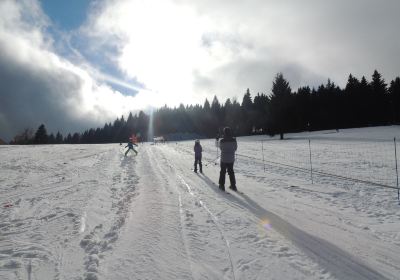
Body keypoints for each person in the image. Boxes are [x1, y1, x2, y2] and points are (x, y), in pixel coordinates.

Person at [217, 127, 237, 191]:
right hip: (231, 159)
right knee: (231, 172)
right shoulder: (234, 140)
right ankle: (233, 186)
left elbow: (220, 148)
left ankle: (222, 185)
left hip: (224, 159)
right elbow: (235, 148)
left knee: (223, 172)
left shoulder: (222, 140)